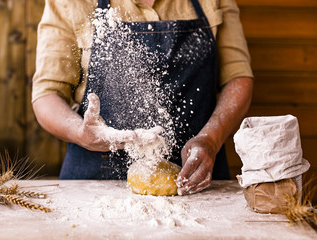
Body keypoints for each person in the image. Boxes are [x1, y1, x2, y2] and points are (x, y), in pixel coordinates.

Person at [32, 0, 254, 195]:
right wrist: (80, 132)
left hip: (197, 180)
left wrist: (211, 140)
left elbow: (238, 78)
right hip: (94, 185)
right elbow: (47, 94)